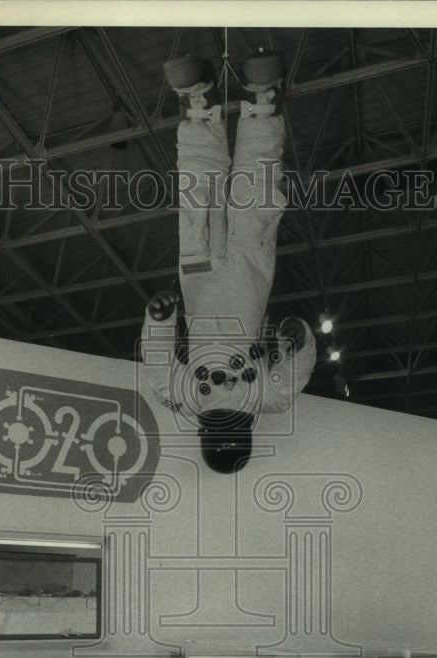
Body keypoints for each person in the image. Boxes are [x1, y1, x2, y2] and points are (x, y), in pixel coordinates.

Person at [140, 49, 317, 474]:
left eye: (215, 429)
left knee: (200, 193)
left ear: (203, 434)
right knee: (251, 194)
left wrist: (159, 318)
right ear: (246, 433)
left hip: (202, 276)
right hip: (245, 274)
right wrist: (298, 341)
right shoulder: (267, 398)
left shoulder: (181, 392)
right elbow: (297, 370)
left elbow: (156, 356)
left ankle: (200, 106)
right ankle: (259, 102)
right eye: (230, 429)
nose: (223, 417)